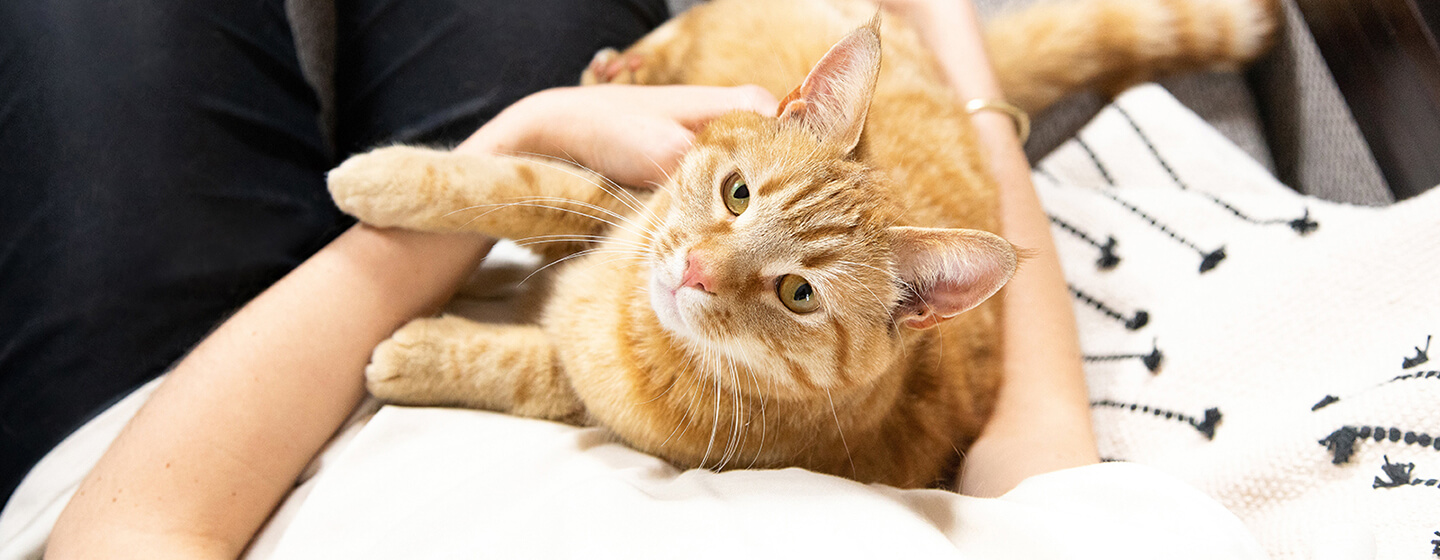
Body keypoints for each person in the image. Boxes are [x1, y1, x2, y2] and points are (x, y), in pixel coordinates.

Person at [5, 0, 1122, 556]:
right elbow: (1044, 426)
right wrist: (961, 61)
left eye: (789, 292)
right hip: (548, 234)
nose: (711, 268)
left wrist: (509, 141)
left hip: (179, 414)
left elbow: (139, 521)